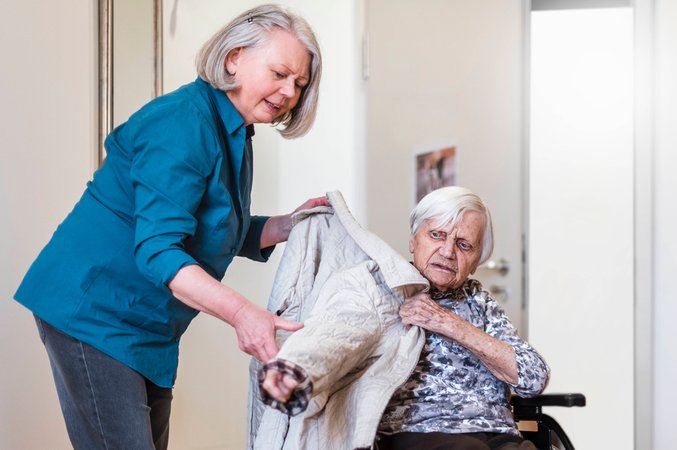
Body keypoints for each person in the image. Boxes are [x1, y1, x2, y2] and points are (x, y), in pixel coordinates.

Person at [14, 5, 325, 449]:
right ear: (234, 58)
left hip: (146, 327)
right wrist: (243, 314)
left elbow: (207, 225)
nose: (289, 91)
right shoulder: (183, 122)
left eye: (299, 83)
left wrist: (282, 226)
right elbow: (159, 249)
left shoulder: (233, 130)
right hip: (95, 311)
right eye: (280, 73)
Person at [257, 186, 550, 450]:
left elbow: (533, 378)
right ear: (413, 240)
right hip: (417, 432)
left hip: (497, 431)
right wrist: (296, 369)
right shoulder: (384, 287)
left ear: (476, 261)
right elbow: (337, 334)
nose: (448, 251)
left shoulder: (479, 300)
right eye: (436, 235)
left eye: (464, 245)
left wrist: (447, 323)